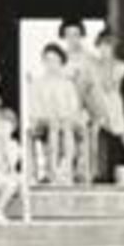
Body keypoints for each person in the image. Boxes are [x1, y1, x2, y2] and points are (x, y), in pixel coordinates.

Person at [26, 42, 84, 185]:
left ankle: (66, 169)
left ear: (61, 63)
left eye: (55, 61)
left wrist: (65, 117)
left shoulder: (67, 84)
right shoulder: (37, 83)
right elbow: (35, 108)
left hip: (65, 122)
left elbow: (73, 107)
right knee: (54, 124)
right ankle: (52, 171)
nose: (51, 64)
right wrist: (46, 117)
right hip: (43, 122)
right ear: (43, 62)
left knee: (64, 125)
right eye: (48, 60)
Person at [85, 28, 124, 180]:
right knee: (93, 135)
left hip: (113, 105)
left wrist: (102, 66)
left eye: (108, 47)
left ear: (113, 48)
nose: (104, 50)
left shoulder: (121, 66)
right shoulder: (93, 64)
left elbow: (108, 85)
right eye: (101, 46)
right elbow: (89, 85)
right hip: (97, 103)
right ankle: (92, 172)